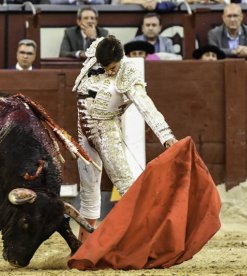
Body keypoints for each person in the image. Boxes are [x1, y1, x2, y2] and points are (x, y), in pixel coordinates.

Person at [73, 35, 177, 241]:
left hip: (106, 129)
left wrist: (166, 135)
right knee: (88, 190)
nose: (109, 71)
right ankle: (84, 243)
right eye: (105, 67)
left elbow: (145, 106)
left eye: (112, 67)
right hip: (83, 131)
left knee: (126, 185)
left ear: (122, 58)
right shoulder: (98, 54)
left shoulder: (129, 73)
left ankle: (145, 238)